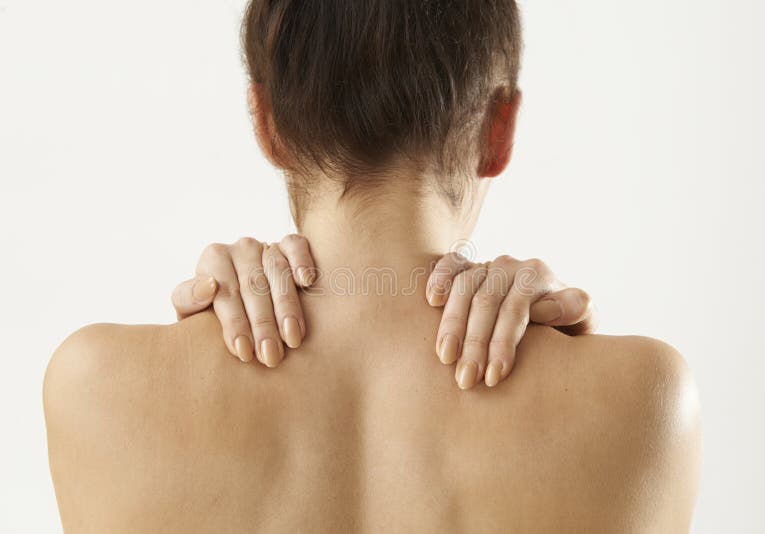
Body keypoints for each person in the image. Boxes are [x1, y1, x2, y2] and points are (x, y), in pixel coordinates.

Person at [43, 1, 701, 532]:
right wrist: (584, 369)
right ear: (498, 132)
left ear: (267, 123)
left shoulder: (91, 383)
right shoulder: (650, 397)